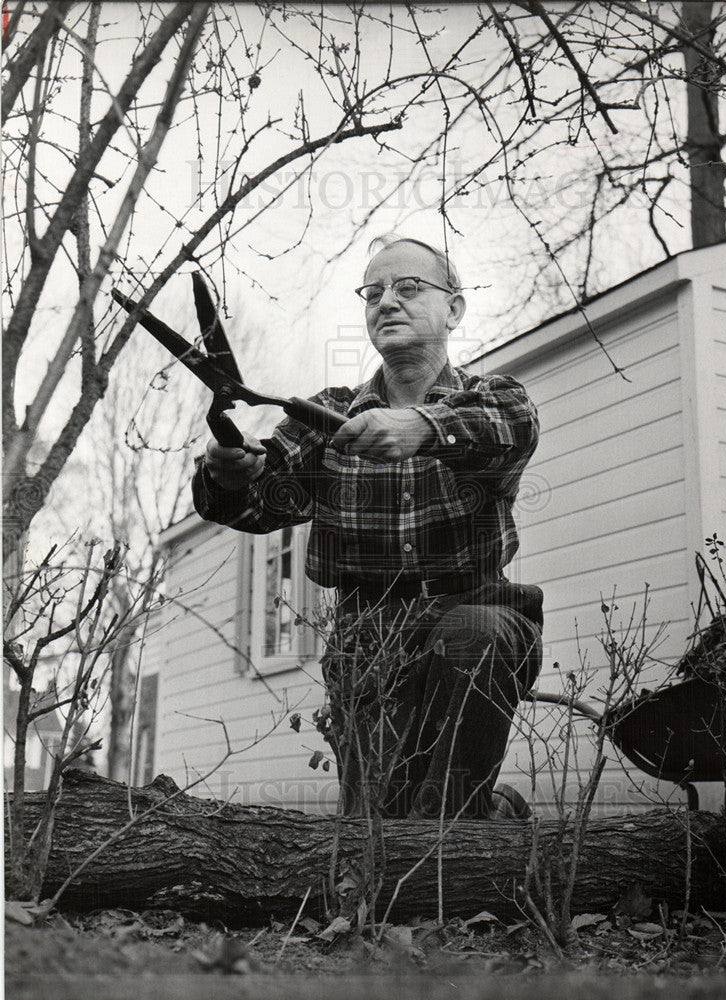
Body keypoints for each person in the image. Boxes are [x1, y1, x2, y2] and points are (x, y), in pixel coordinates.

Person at [192, 236, 544, 819]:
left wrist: (422, 428)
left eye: (408, 288)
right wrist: (229, 473)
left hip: (483, 615)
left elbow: (512, 427)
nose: (388, 302)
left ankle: (459, 839)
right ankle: (498, 813)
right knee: (377, 828)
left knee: (472, 642)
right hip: (369, 637)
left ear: (453, 309)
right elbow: (261, 504)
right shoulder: (322, 413)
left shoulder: (493, 397)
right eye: (373, 292)